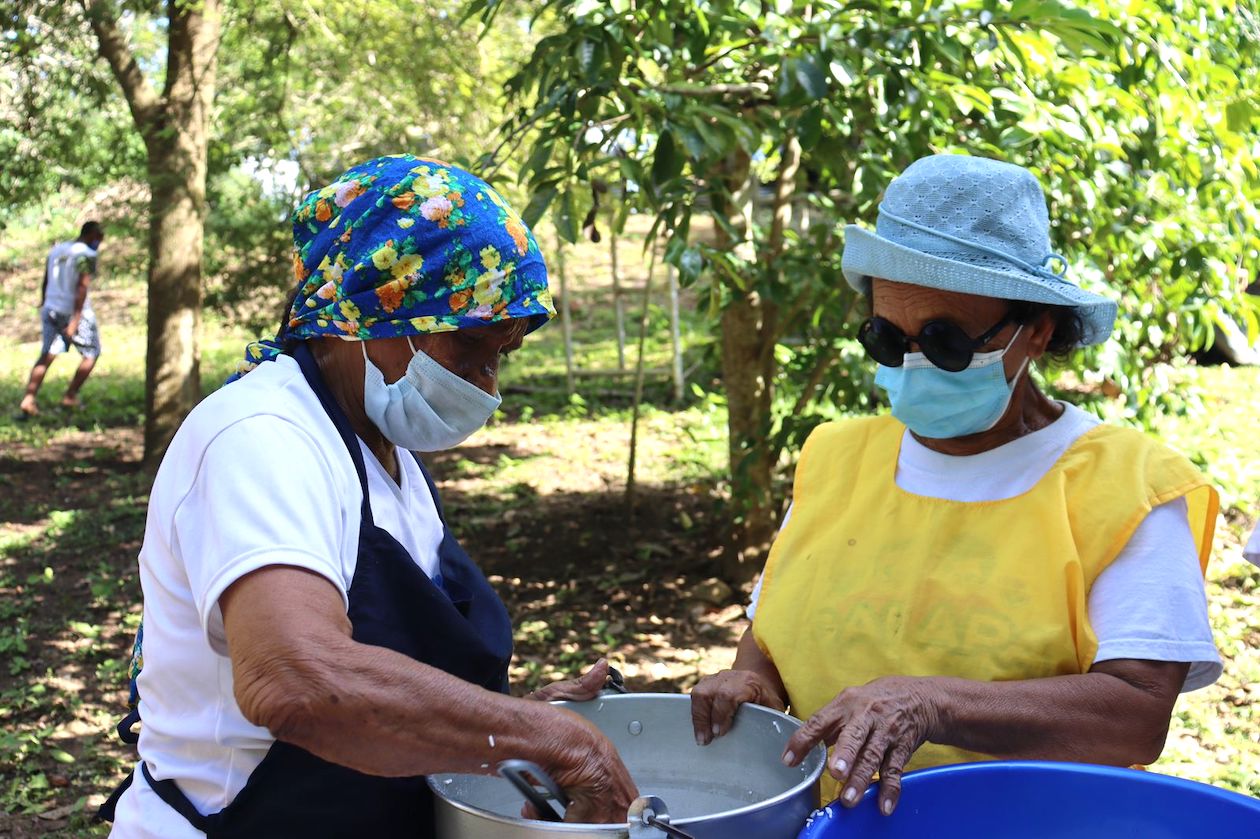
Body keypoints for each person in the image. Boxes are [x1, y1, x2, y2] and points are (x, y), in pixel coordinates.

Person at [102, 155, 637, 837]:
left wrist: (514, 722)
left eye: (503, 353)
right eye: (469, 346)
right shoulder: (262, 438)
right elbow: (295, 681)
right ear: (367, 319)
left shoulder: (388, 453)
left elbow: (392, 664)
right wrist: (545, 738)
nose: (488, 384)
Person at [690, 154, 1221, 817]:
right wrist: (752, 685)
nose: (913, 362)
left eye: (945, 342)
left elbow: (1135, 715)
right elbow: (772, 636)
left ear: (1036, 330)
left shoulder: (1125, 487)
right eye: (888, 338)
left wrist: (934, 704)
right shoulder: (835, 458)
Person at [19, 220, 104, 416]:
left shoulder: (58, 250)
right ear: (92, 235)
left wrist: (44, 300)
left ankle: (29, 397)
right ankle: (70, 395)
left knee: (48, 353)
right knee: (91, 352)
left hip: (51, 307)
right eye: (99, 238)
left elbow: (47, 278)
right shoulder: (86, 254)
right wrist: (75, 321)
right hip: (73, 311)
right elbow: (81, 287)